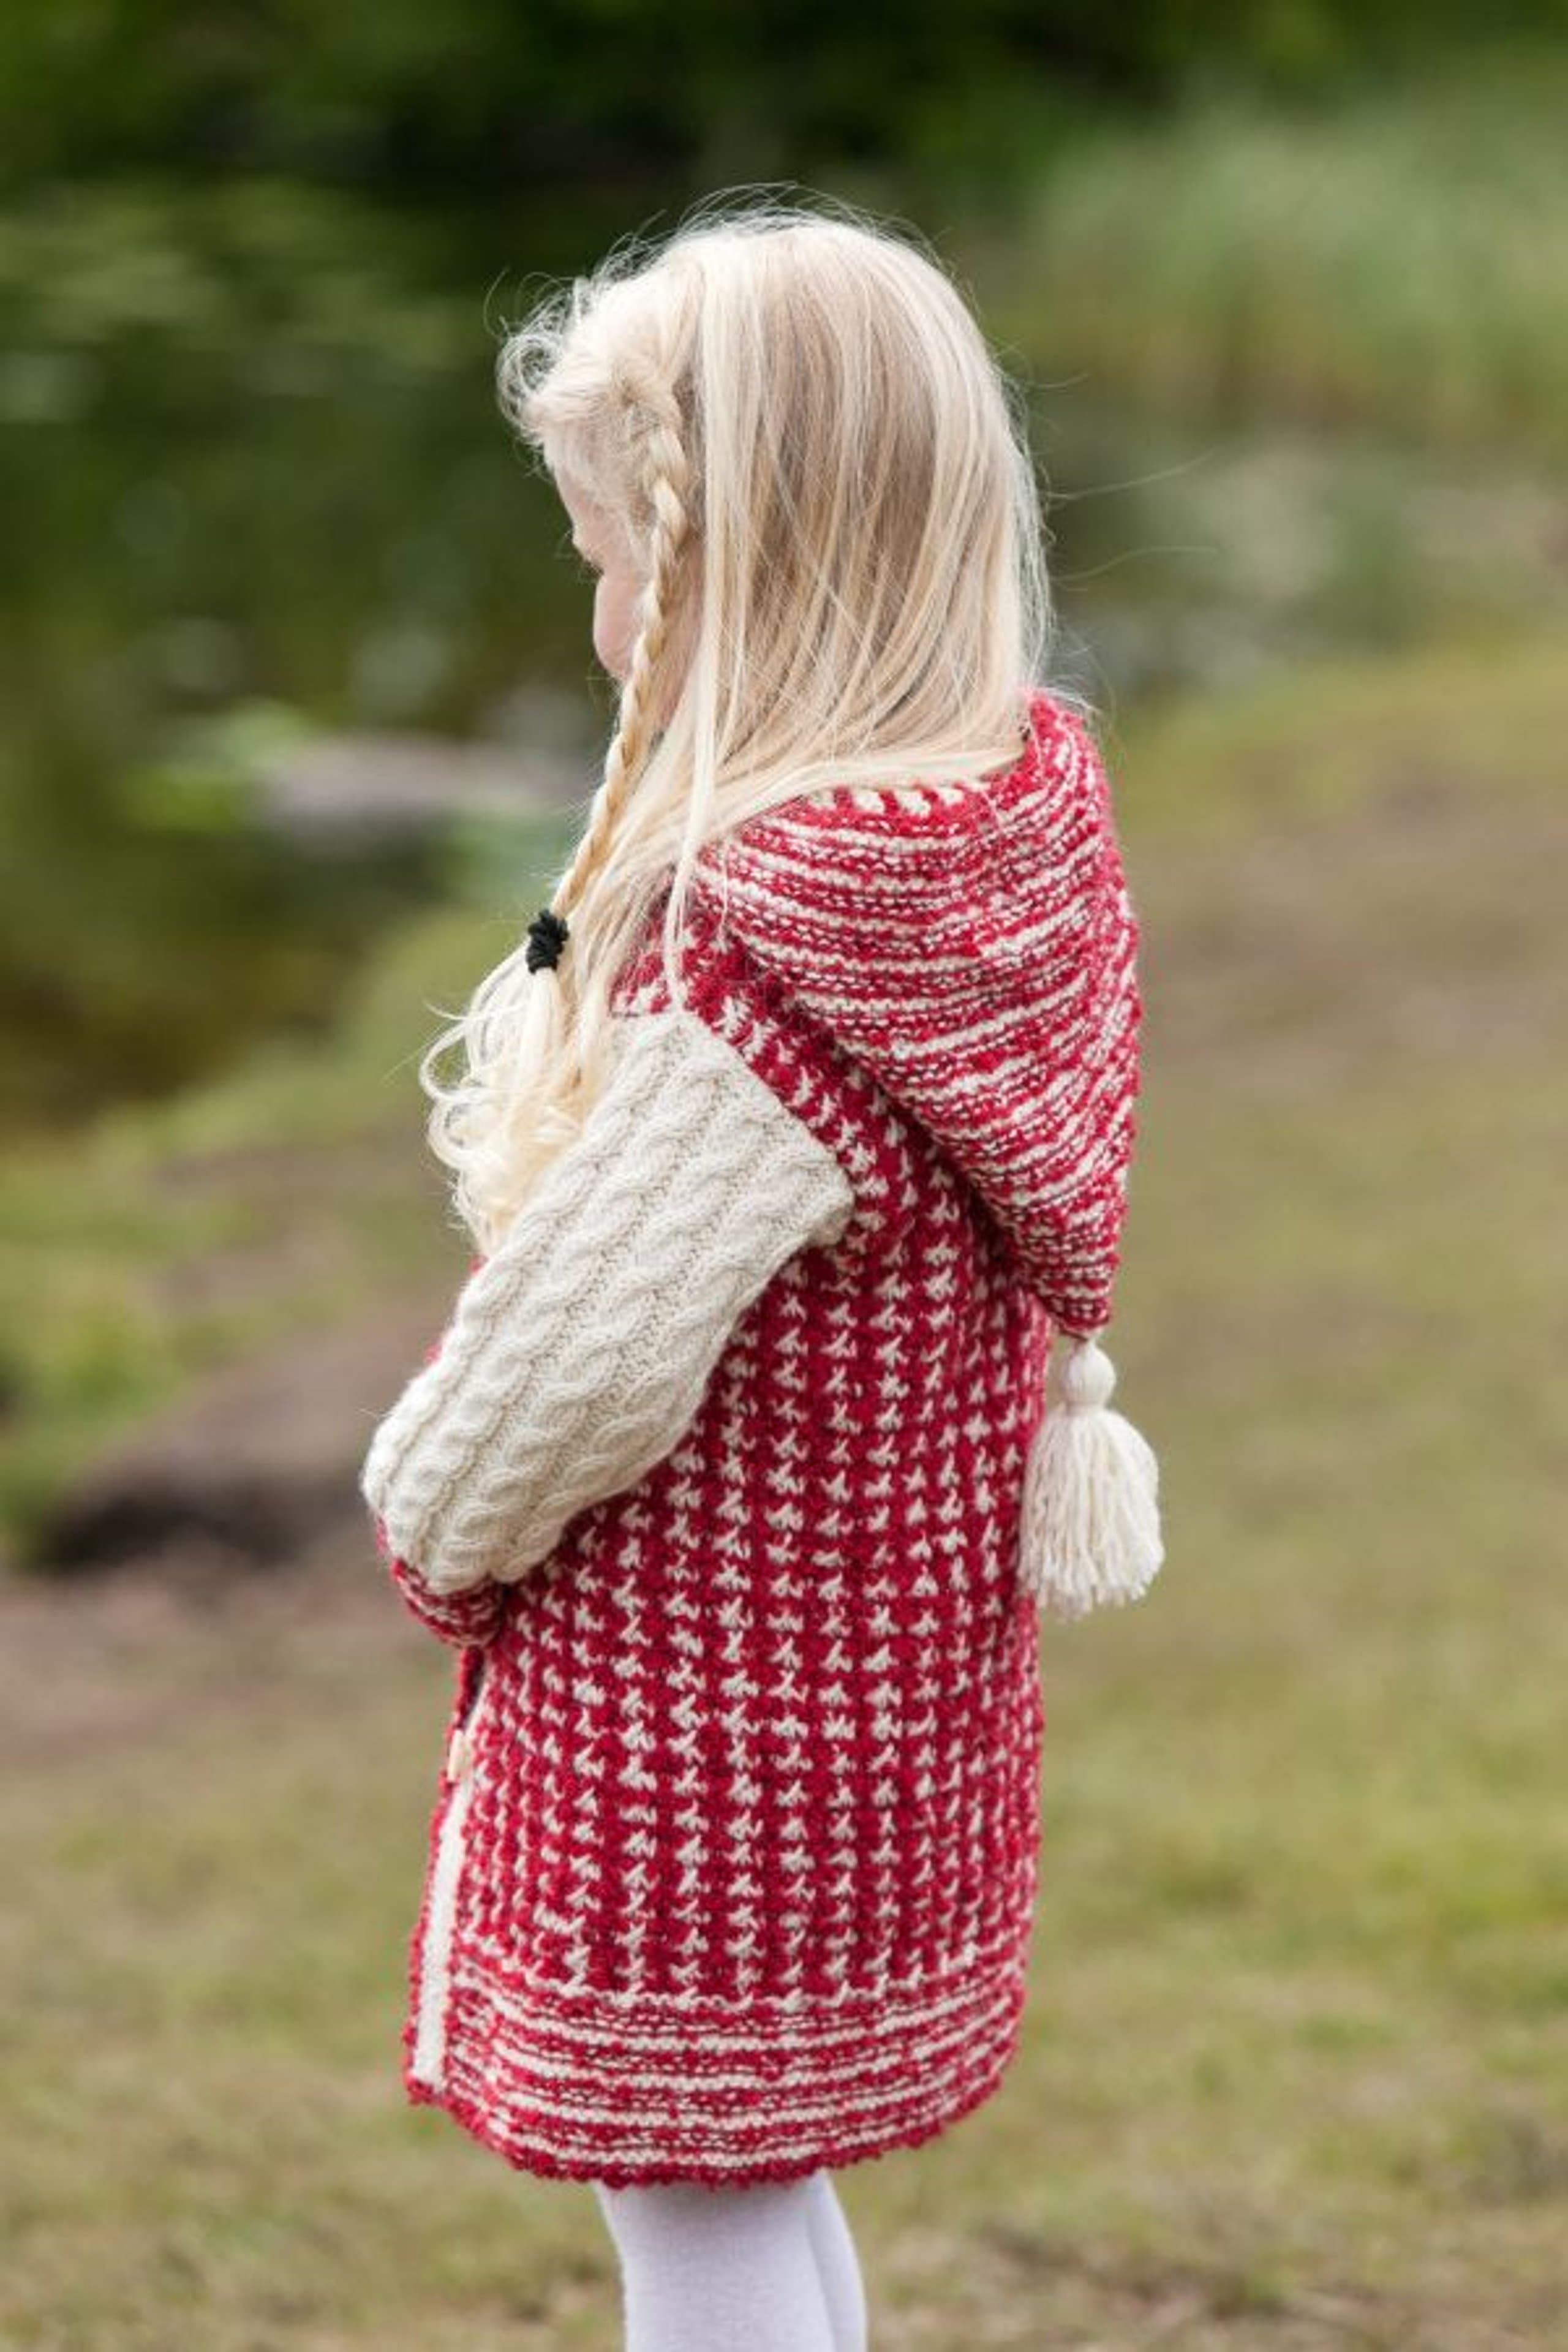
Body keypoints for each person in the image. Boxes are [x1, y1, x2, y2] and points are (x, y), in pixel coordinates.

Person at [358, 190, 1163, 2352]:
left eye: (615, 564)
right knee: (753, 2178)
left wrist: (431, 1512)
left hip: (703, 1728)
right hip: (884, 1689)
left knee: (693, 2207)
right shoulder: (1007, 845)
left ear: (737, 574)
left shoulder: (763, 960)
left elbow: (578, 1362)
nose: (601, 623)